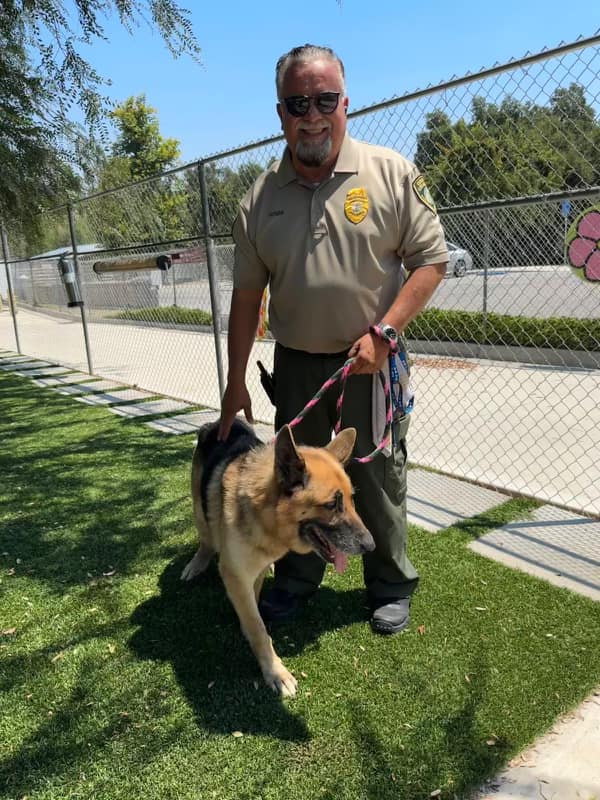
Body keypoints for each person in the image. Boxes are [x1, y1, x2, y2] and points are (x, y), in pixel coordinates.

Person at [218, 44, 448, 635]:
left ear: (345, 102)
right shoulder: (258, 199)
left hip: (370, 361)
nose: (312, 115)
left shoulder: (389, 173)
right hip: (296, 365)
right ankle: (294, 581)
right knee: (291, 482)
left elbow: (431, 261)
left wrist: (385, 332)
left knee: (375, 477)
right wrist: (233, 381)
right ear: (281, 113)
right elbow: (247, 299)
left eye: (325, 100)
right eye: (299, 103)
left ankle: (390, 584)